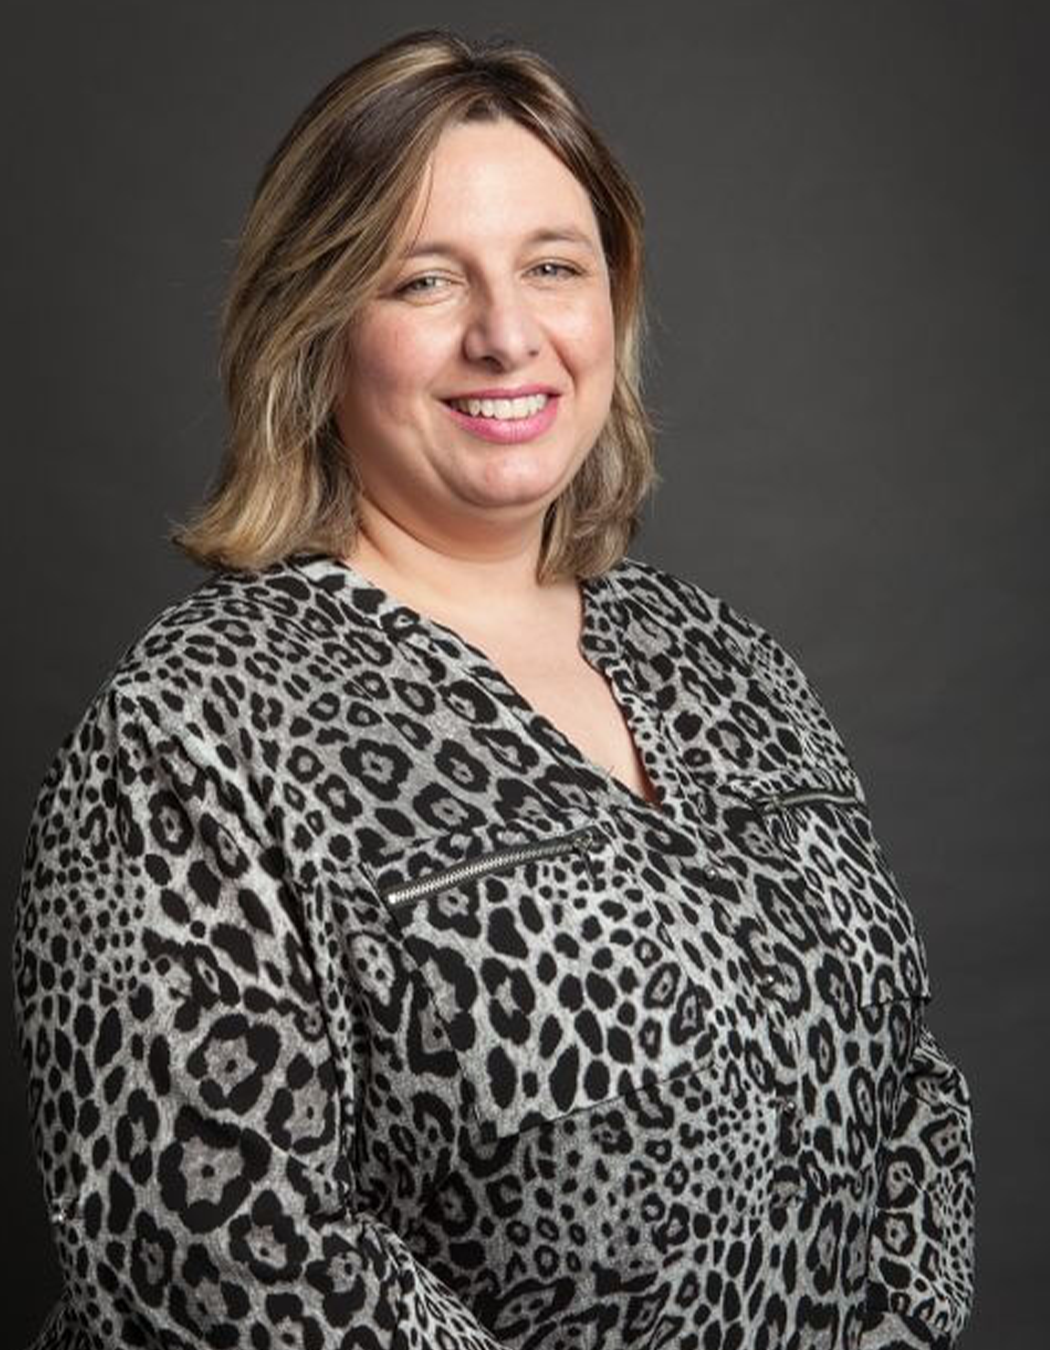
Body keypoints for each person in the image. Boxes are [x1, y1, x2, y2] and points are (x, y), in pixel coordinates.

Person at [12, 27, 976, 1350]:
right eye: (422, 280)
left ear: (610, 305)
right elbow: (213, 1265)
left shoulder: (730, 662)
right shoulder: (192, 728)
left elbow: (910, 1091)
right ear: (317, 323)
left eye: (551, 267)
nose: (506, 334)